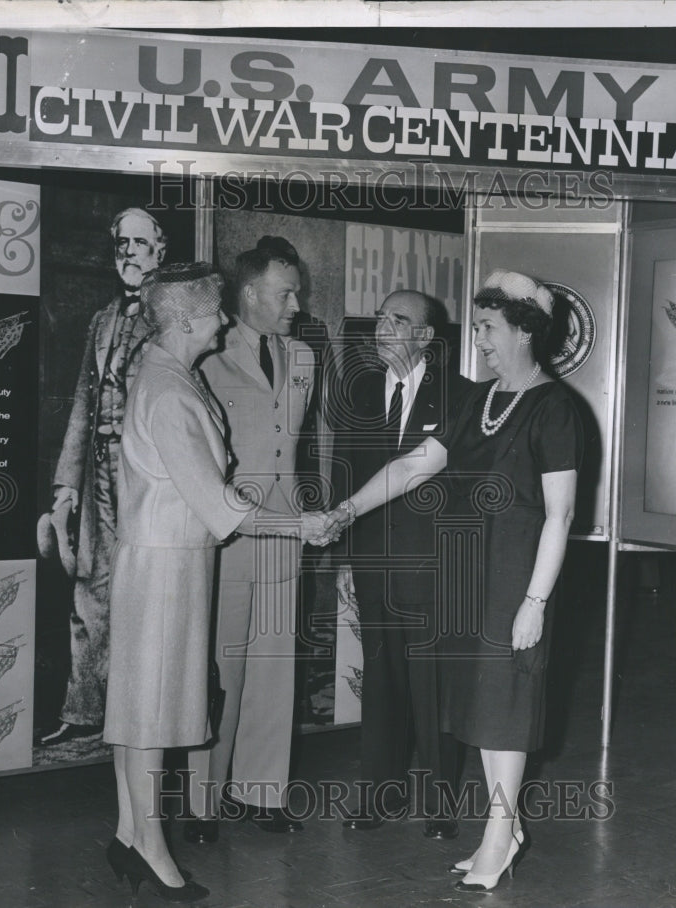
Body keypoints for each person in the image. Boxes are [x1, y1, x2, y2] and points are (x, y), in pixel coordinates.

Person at [326, 270, 582, 892]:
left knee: (509, 708)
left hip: (515, 577)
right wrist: (347, 510)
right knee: (485, 710)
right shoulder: (480, 401)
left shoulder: (556, 407)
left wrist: (535, 602)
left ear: (523, 333)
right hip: (471, 576)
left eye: (490, 330)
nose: (481, 342)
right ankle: (505, 826)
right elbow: (415, 465)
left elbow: (561, 513)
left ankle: (500, 832)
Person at [103, 262, 330, 902]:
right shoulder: (169, 391)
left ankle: (128, 834)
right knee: (152, 716)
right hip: (166, 565)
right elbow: (220, 505)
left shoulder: (164, 371)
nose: (226, 321)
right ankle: (151, 851)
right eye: (216, 312)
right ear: (187, 321)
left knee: (139, 711)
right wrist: (302, 526)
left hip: (167, 558)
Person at [184, 236, 316, 840]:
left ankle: (262, 792)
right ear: (249, 292)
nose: (296, 303)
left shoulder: (305, 359)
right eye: (285, 291)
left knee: (274, 664)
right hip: (230, 536)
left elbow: (306, 450)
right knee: (222, 666)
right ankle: (202, 802)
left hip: (285, 534)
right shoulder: (207, 359)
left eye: (297, 291)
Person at [330, 290, 470, 838]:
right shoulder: (359, 393)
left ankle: (441, 804)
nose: (383, 328)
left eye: (399, 320)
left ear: (426, 338)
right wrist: (345, 556)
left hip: (432, 564)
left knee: (433, 685)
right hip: (371, 562)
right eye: (382, 318)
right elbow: (346, 474)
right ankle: (379, 795)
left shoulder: (459, 396)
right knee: (381, 680)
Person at [40, 207, 166, 746]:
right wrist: (66, 489)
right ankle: (85, 710)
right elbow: (82, 406)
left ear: (161, 249)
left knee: (145, 592)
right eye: (121, 245)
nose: (129, 253)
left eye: (140, 243)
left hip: (151, 474)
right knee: (89, 587)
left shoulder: (174, 314)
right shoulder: (102, 318)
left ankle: (136, 715)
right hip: (98, 473)